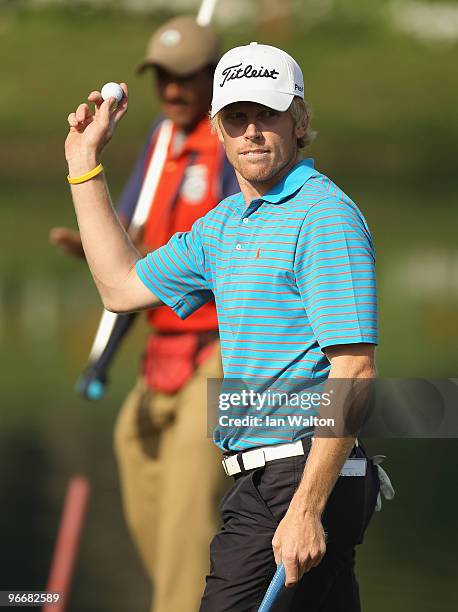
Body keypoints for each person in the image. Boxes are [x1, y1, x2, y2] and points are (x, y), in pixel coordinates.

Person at [64, 41, 384, 611]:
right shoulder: (223, 226)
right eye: (238, 117)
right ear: (218, 129)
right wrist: (83, 165)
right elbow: (119, 287)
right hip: (255, 480)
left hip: (304, 474)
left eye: (268, 114)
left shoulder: (324, 216)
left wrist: (307, 509)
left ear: (301, 120)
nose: (253, 131)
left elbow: (355, 369)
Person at [53, 17, 238, 612]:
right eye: (163, 78)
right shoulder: (159, 141)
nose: (174, 92)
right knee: (134, 450)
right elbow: (128, 241)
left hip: (220, 350)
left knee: (190, 515)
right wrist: (96, 244)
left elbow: (240, 250)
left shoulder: (235, 144)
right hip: (159, 344)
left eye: (187, 79)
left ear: (215, 77)